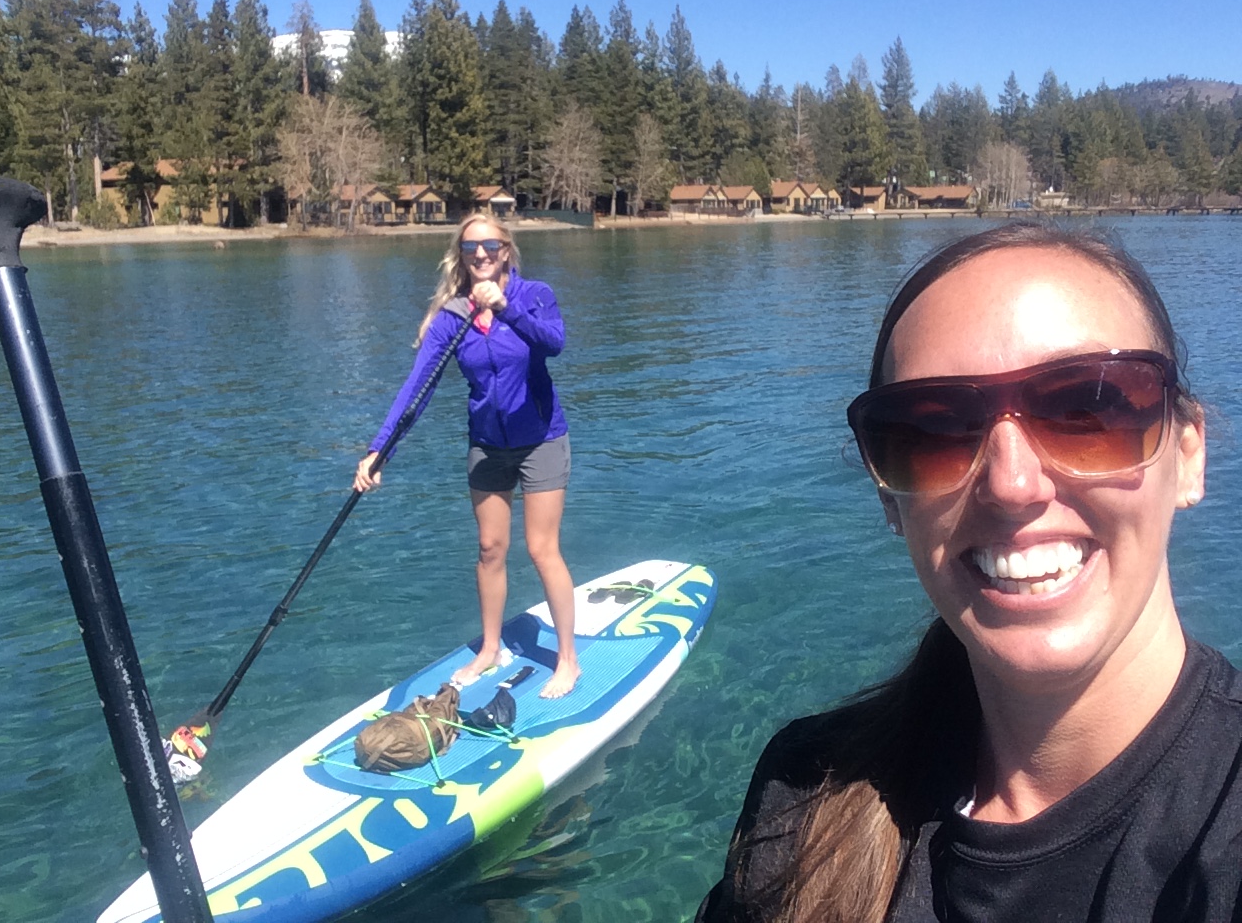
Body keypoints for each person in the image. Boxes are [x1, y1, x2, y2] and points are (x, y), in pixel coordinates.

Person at [698, 223, 1242, 922]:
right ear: (889, 499)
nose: (1013, 484)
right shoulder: (807, 798)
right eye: (934, 431)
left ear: (1188, 455)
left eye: (1088, 408)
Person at [354, 214, 580, 699]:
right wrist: (380, 450)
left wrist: (507, 310)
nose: (481, 253)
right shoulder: (451, 318)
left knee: (542, 550)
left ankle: (567, 659)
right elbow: (418, 387)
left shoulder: (533, 294)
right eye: (471, 246)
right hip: (487, 446)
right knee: (489, 550)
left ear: (506, 250)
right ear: (461, 253)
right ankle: (491, 648)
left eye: (491, 245)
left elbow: (554, 342)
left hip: (542, 439)